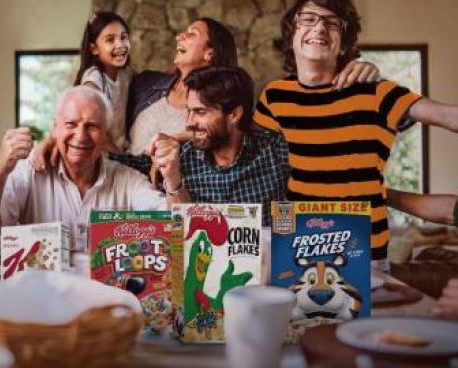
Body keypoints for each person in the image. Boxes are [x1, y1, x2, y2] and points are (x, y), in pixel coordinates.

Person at [254, 0, 458, 260]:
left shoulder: (376, 89)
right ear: (291, 35)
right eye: (308, 19)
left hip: (364, 252)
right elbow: (254, 166)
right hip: (299, 245)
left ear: (344, 42)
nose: (319, 28)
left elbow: (446, 115)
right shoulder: (273, 97)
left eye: (332, 23)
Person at [32, 17, 378, 169]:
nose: (180, 38)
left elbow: (263, 128)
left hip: (181, 203)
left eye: (191, 34)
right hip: (127, 195)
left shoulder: (227, 107)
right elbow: (89, 102)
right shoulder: (146, 84)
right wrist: (56, 137)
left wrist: (358, 72)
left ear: (210, 54)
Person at [0, 86, 167, 240]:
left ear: (105, 134)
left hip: (106, 293)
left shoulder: (128, 180)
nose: (80, 137)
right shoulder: (30, 171)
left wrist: (173, 177)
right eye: (71, 124)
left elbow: (174, 225)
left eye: (92, 126)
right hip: (42, 292)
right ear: (55, 129)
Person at [111, 65, 288, 226]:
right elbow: (118, 163)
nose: (189, 122)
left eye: (200, 112)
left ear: (234, 114)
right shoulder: (178, 158)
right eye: (189, 111)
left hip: (265, 258)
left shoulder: (274, 150)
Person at [73, 11, 132, 152]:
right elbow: (93, 130)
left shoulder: (125, 73)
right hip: (100, 156)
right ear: (94, 49)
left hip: (120, 151)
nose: (120, 45)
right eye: (110, 40)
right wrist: (123, 160)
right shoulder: (94, 78)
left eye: (123, 37)